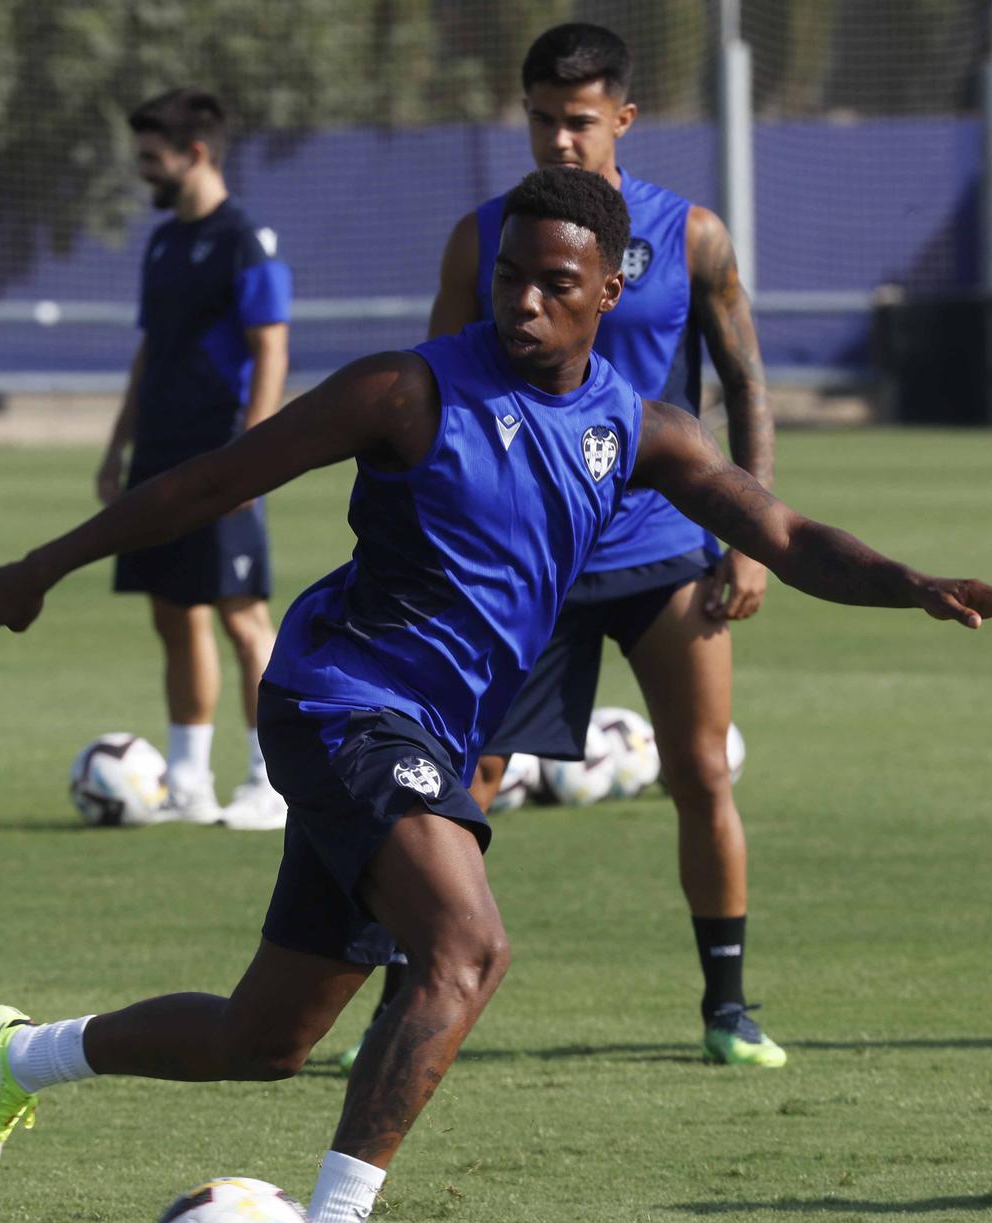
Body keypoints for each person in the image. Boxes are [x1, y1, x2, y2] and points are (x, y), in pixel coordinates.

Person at [0, 166, 992, 1223]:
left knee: (265, 1038)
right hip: (337, 701)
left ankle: (21, 1058)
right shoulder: (404, 392)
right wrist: (43, 566)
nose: (519, 302)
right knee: (467, 945)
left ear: (611, 289)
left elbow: (783, 531)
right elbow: (213, 482)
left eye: (551, 284)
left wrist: (912, 582)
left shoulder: (639, 429)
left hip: (422, 725)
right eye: (508, 277)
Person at [359, 23, 788, 1070]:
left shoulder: (689, 236)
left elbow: (742, 383)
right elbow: (427, 396)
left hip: (662, 550)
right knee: (459, 782)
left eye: (579, 121)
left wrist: (751, 535)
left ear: (623, 120)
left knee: (697, 771)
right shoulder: (484, 239)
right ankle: (401, 996)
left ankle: (725, 1006)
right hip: (520, 564)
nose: (558, 139)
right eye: (543, 119)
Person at [98, 88, 293, 830]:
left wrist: (254, 451)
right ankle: (186, 783)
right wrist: (118, 445)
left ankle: (272, 781)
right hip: (159, 454)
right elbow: (153, 350)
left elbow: (271, 346)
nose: (143, 170)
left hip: (222, 455)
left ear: (196, 154)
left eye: (152, 158)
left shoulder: (245, 239)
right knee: (174, 615)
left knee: (244, 620)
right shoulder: (163, 241)